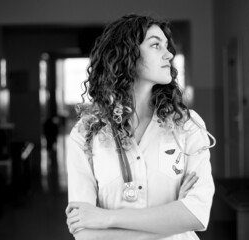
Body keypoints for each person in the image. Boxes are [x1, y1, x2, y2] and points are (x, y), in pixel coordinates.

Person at [65, 14, 216, 240]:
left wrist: (105, 218)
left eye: (167, 46)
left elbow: (196, 215)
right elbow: (84, 231)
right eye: (156, 45)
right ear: (126, 55)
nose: (169, 54)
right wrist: (171, 220)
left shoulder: (186, 125)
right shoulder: (86, 133)